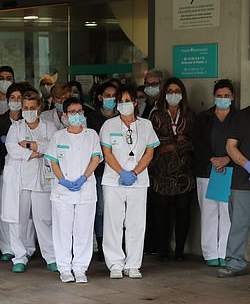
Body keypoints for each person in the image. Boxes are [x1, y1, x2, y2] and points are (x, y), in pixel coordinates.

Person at [100, 85, 158, 279]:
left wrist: (134, 173)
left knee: (136, 223)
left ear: (135, 102)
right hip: (113, 180)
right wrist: (121, 172)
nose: (124, 104)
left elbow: (149, 152)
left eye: (127, 101)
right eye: (120, 101)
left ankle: (133, 264)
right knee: (113, 222)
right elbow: (107, 153)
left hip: (138, 180)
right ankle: (115, 264)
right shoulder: (109, 125)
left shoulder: (146, 125)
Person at [2, 90, 59, 273]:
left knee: (45, 219)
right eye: (25, 108)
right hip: (20, 181)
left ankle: (51, 256)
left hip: (42, 180)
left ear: (39, 108)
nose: (28, 111)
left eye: (32, 107)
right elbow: (12, 148)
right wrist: (35, 153)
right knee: (18, 220)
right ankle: (19, 257)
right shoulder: (16, 128)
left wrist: (30, 145)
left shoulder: (49, 126)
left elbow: (53, 146)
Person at [45, 97, 101, 283]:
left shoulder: (91, 135)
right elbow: (53, 161)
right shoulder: (58, 136)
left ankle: (80, 268)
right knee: (63, 230)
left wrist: (84, 177)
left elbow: (95, 158)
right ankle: (64, 268)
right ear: (65, 115)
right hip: (63, 190)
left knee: (83, 230)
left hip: (85, 189)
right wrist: (62, 180)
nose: (76, 115)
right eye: (72, 112)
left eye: (79, 111)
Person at [149, 77, 195, 261]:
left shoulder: (189, 115)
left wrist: (170, 144)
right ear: (164, 94)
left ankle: (180, 251)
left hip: (184, 170)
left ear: (182, 94)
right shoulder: (156, 115)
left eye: (177, 91)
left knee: (183, 210)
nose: (173, 94)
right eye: (170, 91)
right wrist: (174, 142)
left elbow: (192, 141)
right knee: (162, 211)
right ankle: (163, 250)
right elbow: (152, 143)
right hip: (161, 171)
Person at [192, 79, 236, 266]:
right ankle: (210, 253)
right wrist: (212, 159)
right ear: (213, 97)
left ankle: (224, 252)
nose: (223, 98)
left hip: (229, 171)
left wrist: (226, 159)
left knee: (226, 213)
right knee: (208, 213)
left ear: (233, 97)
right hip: (207, 171)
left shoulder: (238, 118)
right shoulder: (204, 118)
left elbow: (242, 143)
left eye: (226, 96)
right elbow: (196, 142)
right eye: (219, 95)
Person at [86, 82, 118, 260]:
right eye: (107, 95)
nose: (111, 99)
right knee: (101, 209)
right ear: (100, 97)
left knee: (116, 209)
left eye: (114, 96)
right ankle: (101, 244)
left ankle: (116, 244)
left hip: (119, 169)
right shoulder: (92, 118)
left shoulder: (123, 116)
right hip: (99, 169)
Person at [217, 105, 250, 277]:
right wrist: (247, 165)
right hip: (242, 180)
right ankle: (235, 262)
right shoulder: (242, 116)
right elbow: (230, 146)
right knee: (239, 223)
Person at [0, 84, 24, 261]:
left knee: (24, 212)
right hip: (4, 169)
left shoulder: (28, 119)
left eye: (19, 98)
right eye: (12, 97)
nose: (16, 101)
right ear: (7, 99)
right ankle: (6, 247)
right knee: (4, 209)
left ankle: (25, 248)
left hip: (25, 169)